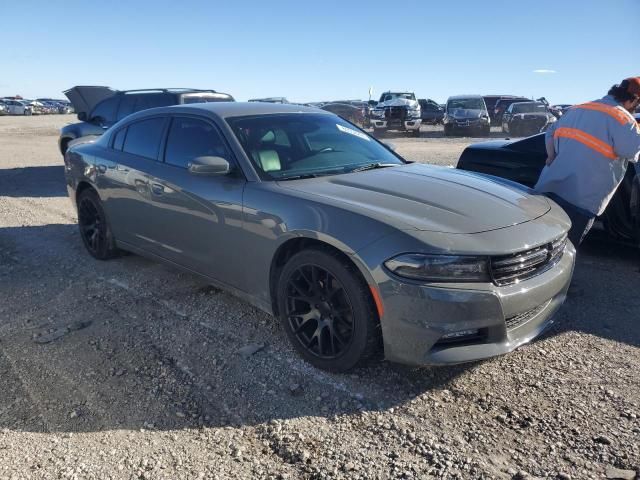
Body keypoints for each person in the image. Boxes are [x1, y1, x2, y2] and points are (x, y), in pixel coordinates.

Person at [535, 77, 640, 246]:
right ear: (634, 99)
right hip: (581, 199)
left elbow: (551, 132)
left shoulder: (578, 108)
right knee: (562, 253)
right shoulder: (624, 120)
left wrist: (551, 156)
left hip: (550, 187)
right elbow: (632, 151)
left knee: (539, 246)